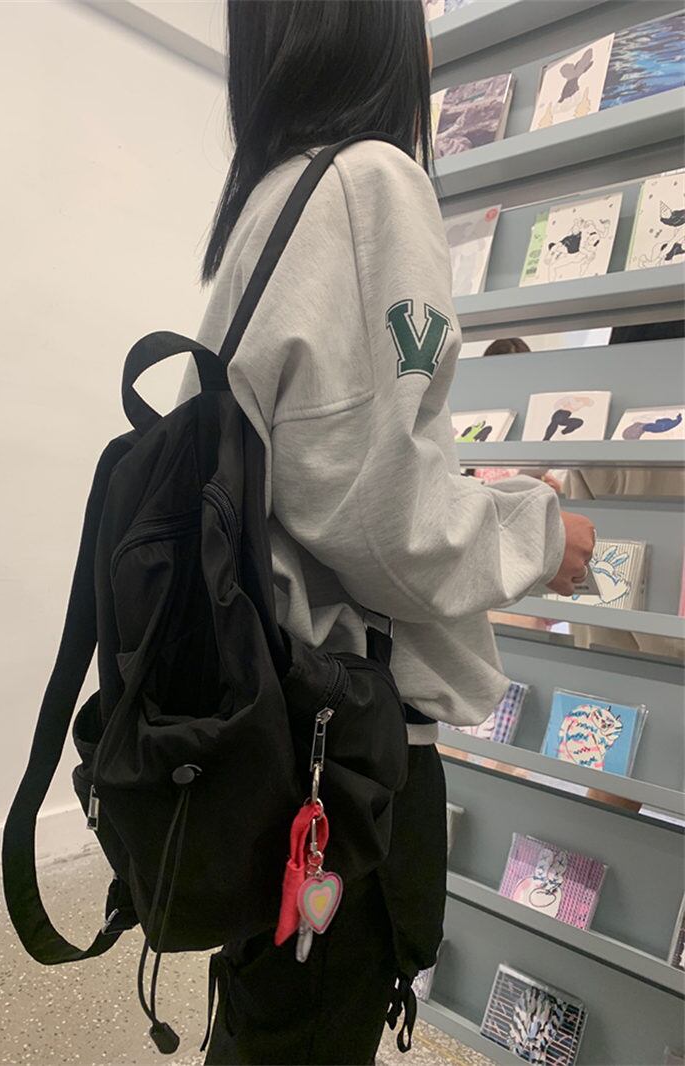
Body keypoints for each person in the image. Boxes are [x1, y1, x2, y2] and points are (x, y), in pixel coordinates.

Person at [175, 3, 595, 1062]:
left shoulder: (269, 204)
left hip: (266, 737)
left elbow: (327, 478)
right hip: (347, 759)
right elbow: (385, 515)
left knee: (270, 1015)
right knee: (316, 1021)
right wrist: (539, 532)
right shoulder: (370, 184)